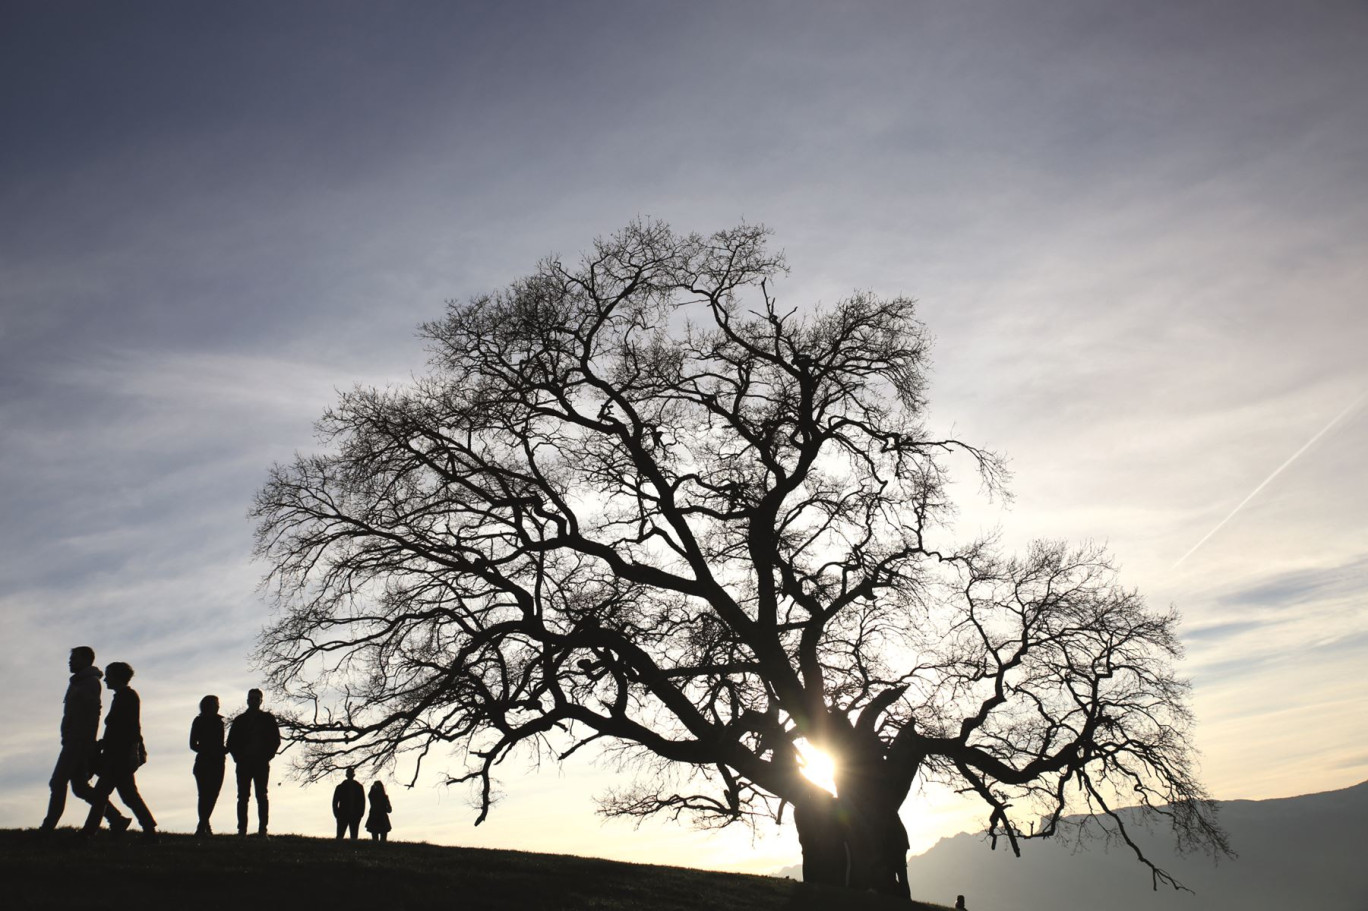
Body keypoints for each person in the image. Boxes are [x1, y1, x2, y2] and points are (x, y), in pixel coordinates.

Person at [40, 647, 131, 833]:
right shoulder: (79, 682)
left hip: (78, 741)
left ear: (86, 660)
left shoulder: (89, 683)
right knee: (80, 788)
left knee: (58, 782)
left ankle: (48, 826)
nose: (70, 662)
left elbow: (92, 714)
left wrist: (85, 742)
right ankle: (117, 819)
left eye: (74, 658)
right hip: (73, 740)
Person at [80, 661, 157, 839]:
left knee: (101, 794)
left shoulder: (127, 696)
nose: (106, 679)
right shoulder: (124, 696)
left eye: (109, 675)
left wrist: (131, 750)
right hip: (117, 754)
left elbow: (131, 727)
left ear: (117, 677)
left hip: (118, 756)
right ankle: (149, 830)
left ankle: (88, 832)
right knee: (129, 795)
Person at [226, 687, 280, 837]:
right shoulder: (239, 720)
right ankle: (242, 830)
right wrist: (239, 758)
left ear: (261, 701)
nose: (254, 701)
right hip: (244, 763)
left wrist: (267, 756)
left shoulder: (268, 719)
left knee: (261, 795)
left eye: (257, 698)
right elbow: (231, 742)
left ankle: (263, 829)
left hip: (261, 762)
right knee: (243, 796)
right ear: (247, 700)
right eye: (252, 698)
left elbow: (276, 740)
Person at [189, 694, 226, 836]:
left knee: (213, 794)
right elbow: (193, 744)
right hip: (204, 761)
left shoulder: (220, 721)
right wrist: (207, 751)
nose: (217, 706)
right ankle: (203, 826)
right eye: (215, 703)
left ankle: (203, 825)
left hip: (218, 762)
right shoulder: (199, 721)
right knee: (204, 795)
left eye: (218, 704)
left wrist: (223, 750)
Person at [332, 768, 366, 840]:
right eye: (349, 773)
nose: (350, 775)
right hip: (343, 814)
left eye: (351, 773)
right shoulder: (340, 787)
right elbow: (335, 802)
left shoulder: (359, 787)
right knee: (340, 835)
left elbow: (362, 801)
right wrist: (337, 814)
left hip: (355, 814)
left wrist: (360, 813)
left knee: (353, 836)